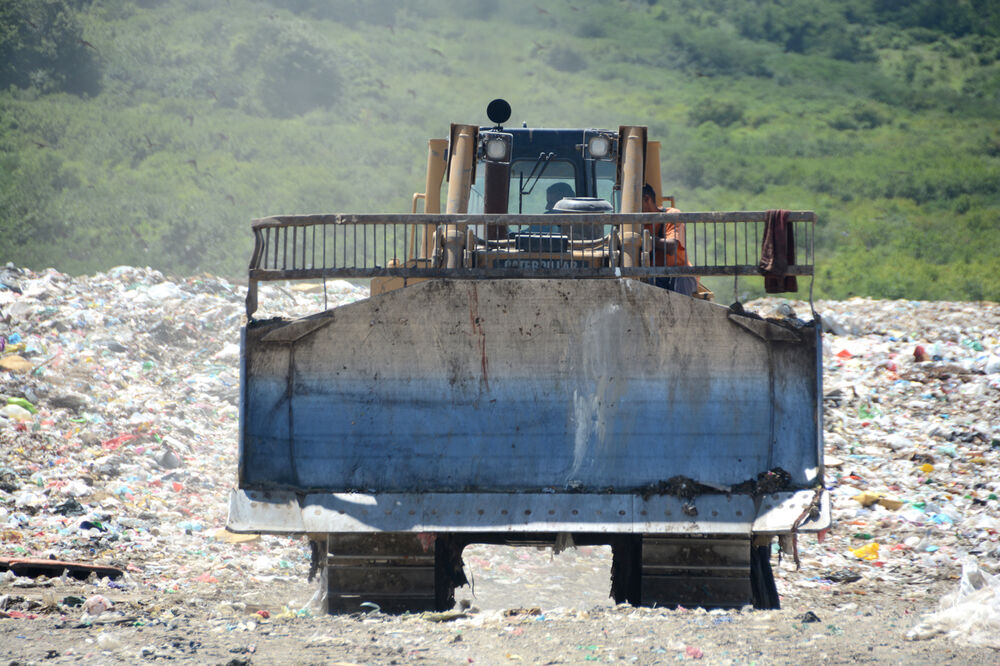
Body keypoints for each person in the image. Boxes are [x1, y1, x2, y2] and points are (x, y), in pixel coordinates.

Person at [642, 183, 696, 296]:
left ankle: (681, 311)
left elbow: (672, 246)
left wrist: (647, 240)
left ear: (647, 198)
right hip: (656, 275)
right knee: (651, 282)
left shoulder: (671, 215)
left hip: (678, 273)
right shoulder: (635, 224)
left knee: (682, 277)